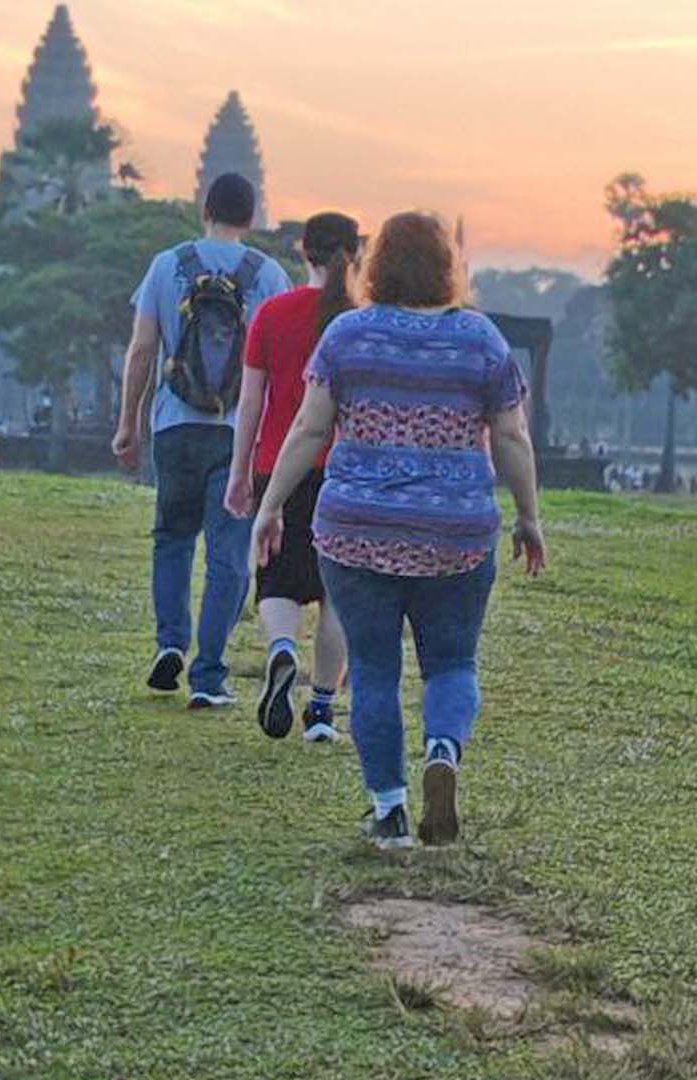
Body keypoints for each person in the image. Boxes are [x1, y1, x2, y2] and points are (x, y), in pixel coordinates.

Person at [253, 211, 546, 850]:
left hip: (358, 529)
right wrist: (528, 517)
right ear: (448, 268)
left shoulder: (346, 336)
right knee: (451, 662)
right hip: (456, 533)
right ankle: (442, 748)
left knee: (377, 671)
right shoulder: (481, 340)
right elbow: (512, 435)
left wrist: (271, 505)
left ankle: (389, 810)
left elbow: (308, 430)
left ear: (375, 265)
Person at [113, 173, 292, 709]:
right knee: (227, 555)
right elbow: (281, 367)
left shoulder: (167, 266)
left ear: (204, 208)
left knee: (171, 537)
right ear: (252, 216)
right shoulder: (269, 275)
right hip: (238, 432)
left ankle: (170, 643)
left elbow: (142, 350)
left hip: (174, 425)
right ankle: (208, 675)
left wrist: (129, 421)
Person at [223, 211, 360, 742]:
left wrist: (241, 475)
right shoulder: (361, 322)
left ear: (304, 251)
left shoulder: (272, 315)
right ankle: (322, 710)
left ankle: (282, 649)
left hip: (278, 465)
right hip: (346, 473)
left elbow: (250, 401)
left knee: (276, 578)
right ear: (356, 253)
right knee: (336, 592)